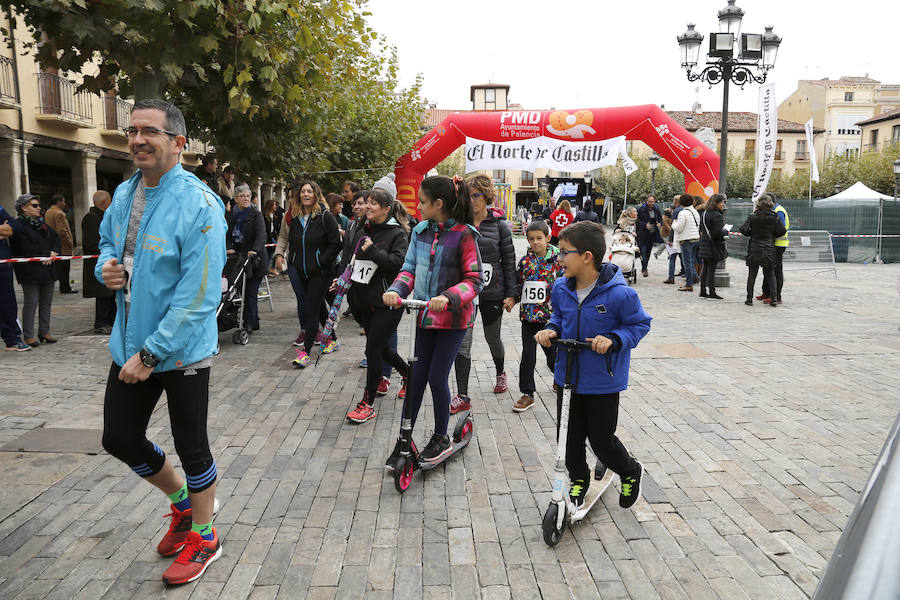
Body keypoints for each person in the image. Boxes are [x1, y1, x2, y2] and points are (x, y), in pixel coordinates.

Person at [96, 99, 227, 585]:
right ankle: (181, 506)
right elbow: (109, 246)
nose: (136, 140)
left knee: (193, 447)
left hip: (181, 350)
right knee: (119, 438)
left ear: (177, 142)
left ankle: (206, 534)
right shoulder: (126, 193)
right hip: (128, 344)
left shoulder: (200, 204)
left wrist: (152, 353)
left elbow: (199, 296)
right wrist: (103, 269)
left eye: (148, 131)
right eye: (131, 131)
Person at [535, 221, 651, 509]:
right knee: (569, 437)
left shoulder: (620, 294)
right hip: (568, 376)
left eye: (564, 252)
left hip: (602, 380)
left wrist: (613, 338)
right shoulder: (561, 288)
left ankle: (629, 470)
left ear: (587, 256)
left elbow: (639, 324)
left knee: (601, 440)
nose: (558, 258)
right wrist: (551, 329)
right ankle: (578, 479)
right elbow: (559, 318)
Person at [383, 175, 483, 466]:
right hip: (424, 317)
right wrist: (395, 290)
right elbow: (409, 269)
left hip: (453, 320)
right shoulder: (420, 232)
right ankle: (405, 438)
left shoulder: (464, 234)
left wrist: (449, 296)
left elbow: (474, 280)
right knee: (415, 377)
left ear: (439, 203)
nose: (419, 206)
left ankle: (441, 436)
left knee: (437, 376)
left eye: (423, 202)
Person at [341, 188, 410, 423]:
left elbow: (397, 264)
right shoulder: (362, 229)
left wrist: (373, 251)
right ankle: (409, 374)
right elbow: (352, 262)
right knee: (379, 348)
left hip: (387, 303)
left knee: (372, 351)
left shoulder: (397, 234)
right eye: (366, 203)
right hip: (362, 301)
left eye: (372, 204)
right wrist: (341, 280)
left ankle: (367, 403)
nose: (367, 207)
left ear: (386, 209)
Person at [451, 174, 517, 414]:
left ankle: (500, 372)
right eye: (468, 195)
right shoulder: (459, 223)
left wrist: (512, 294)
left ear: (487, 196)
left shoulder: (500, 225)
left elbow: (509, 261)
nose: (472, 200)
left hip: (492, 292)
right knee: (463, 343)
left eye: (476, 195)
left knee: (492, 338)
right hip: (466, 292)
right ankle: (461, 393)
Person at [273, 180, 341, 365]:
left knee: (310, 309)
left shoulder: (326, 217)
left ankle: (305, 353)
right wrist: (291, 259)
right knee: (318, 308)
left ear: (316, 194)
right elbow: (290, 240)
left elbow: (335, 244)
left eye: (309, 191)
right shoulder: (294, 217)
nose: (305, 194)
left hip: (320, 272)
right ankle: (333, 339)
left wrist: (321, 260)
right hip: (300, 270)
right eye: (303, 191)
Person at [513, 220, 564, 412]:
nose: (535, 242)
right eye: (531, 239)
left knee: (553, 355)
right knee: (528, 355)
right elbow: (519, 285)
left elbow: (567, 285)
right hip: (529, 317)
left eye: (539, 238)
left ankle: (559, 380)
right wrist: (512, 299)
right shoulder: (525, 262)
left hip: (551, 319)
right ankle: (527, 393)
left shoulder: (559, 260)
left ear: (548, 238)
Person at [9, 194, 60, 347]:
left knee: (46, 302)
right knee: (31, 303)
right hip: (30, 271)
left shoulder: (42, 224)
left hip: (48, 269)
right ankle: (28, 335)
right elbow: (23, 247)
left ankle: (45, 331)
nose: (39, 208)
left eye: (38, 205)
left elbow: (55, 238)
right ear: (24, 208)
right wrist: (42, 255)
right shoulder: (18, 225)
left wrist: (54, 251)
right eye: (34, 205)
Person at [227, 184, 268, 331]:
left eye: (248, 196)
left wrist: (254, 250)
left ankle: (248, 323)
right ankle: (253, 320)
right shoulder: (231, 215)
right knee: (238, 291)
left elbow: (262, 235)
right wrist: (228, 247)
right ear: (236, 198)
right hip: (238, 259)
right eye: (242, 196)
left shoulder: (256, 214)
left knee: (250, 292)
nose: (245, 198)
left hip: (255, 260)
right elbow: (226, 234)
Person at [740, 194, 786, 307]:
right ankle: (774, 298)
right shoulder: (775, 216)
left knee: (752, 275)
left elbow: (743, 229)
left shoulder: (753, 216)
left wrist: (752, 233)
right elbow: (782, 230)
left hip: (755, 247)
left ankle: (749, 299)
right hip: (769, 248)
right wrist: (772, 234)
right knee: (771, 274)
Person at [81, 190, 116, 334]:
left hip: (106, 261)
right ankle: (101, 323)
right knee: (103, 296)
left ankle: (111, 321)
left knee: (109, 296)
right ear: (104, 203)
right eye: (110, 201)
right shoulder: (91, 218)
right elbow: (92, 243)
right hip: (96, 263)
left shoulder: (104, 217)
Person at [0, 203, 30, 350]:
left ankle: (12, 338)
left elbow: (15, 227)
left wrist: (6, 230)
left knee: (7, 302)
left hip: (3, 266)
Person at [760, 197, 790, 304]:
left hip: (779, 244)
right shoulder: (774, 211)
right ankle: (767, 293)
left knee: (776, 270)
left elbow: (780, 229)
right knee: (767, 269)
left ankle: (777, 296)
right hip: (773, 244)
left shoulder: (779, 211)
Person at [698, 194, 728, 300]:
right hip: (713, 245)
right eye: (722, 202)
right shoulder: (717, 215)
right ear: (716, 203)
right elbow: (717, 233)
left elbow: (702, 229)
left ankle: (702, 291)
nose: (723, 204)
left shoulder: (705, 213)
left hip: (705, 243)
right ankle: (712, 291)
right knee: (711, 269)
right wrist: (725, 231)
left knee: (705, 268)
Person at [45, 193, 76, 293]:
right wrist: (69, 242)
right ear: (59, 202)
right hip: (62, 245)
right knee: (64, 269)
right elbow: (62, 231)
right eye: (63, 201)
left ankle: (63, 286)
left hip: (52, 244)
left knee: (58, 267)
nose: (64, 203)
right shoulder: (59, 214)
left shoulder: (48, 212)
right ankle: (65, 287)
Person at [672, 195, 701, 292]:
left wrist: (674, 223)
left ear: (681, 203)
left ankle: (689, 284)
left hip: (686, 240)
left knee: (687, 263)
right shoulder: (695, 211)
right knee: (691, 261)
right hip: (696, 238)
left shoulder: (682, 213)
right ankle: (695, 277)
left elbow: (679, 228)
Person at [636, 195, 663, 277]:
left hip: (652, 234)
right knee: (643, 251)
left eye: (652, 201)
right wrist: (644, 225)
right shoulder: (641, 209)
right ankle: (644, 269)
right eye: (649, 201)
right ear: (646, 201)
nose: (651, 203)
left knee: (648, 252)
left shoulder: (656, 209)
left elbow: (661, 219)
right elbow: (637, 221)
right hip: (642, 234)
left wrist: (659, 223)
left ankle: (645, 267)